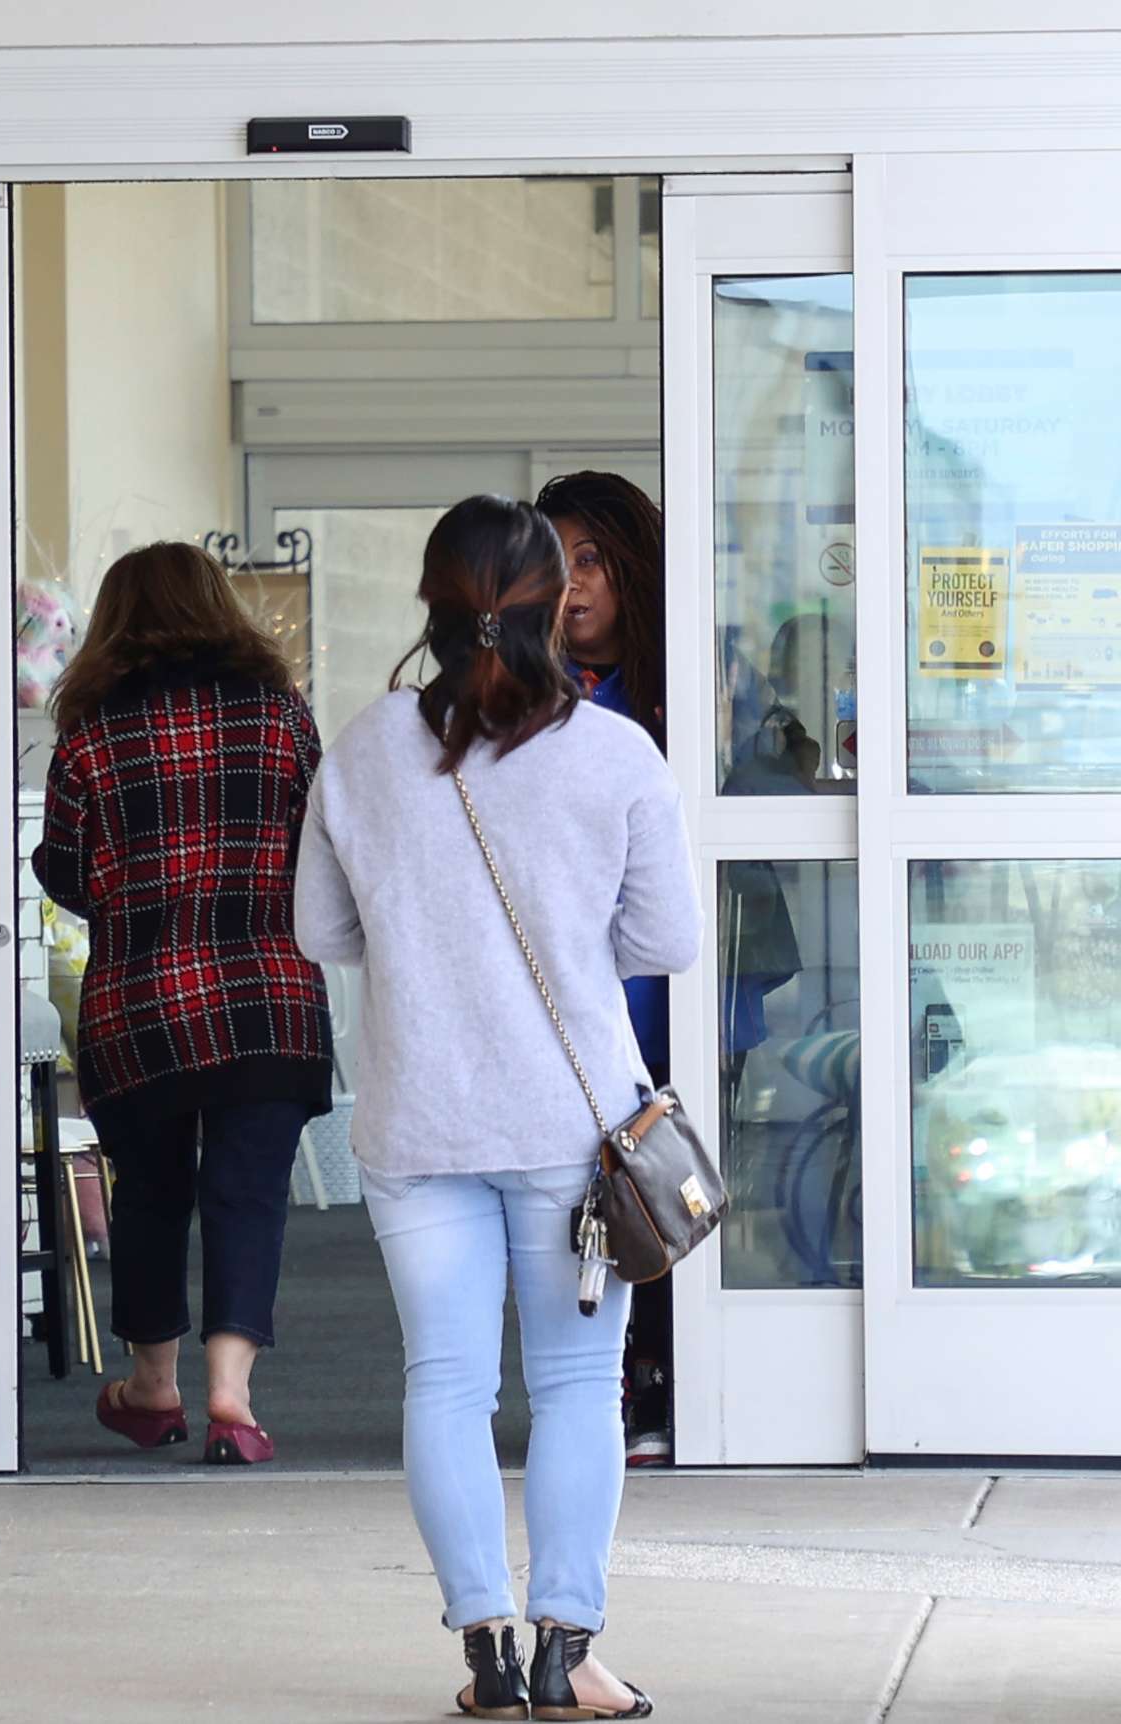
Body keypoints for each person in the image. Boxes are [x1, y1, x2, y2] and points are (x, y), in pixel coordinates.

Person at [295, 496, 699, 1720]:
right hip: (575, 1135)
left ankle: (482, 1649)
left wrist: (426, 944)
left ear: (432, 603)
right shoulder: (616, 753)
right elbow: (666, 936)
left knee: (447, 1380)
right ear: (546, 608)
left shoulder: (362, 748)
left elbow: (322, 930)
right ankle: (568, 1653)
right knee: (581, 1388)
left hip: (418, 1122)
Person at [31, 541, 334, 1467]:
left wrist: (140, 900)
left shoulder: (89, 736)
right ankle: (232, 1398)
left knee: (151, 1197)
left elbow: (64, 870)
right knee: (248, 1195)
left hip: (143, 1003)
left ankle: (154, 1385)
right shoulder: (284, 718)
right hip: (266, 996)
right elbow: (318, 843)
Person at [535, 471, 679, 1469]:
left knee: (666, 1188)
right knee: (577, 1203)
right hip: (569, 998)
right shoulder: (525, 700)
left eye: (591, 559)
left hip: (667, 989)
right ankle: (606, 1392)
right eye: (554, 561)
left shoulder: (682, 694)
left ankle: (671, 1378)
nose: (572, 585)